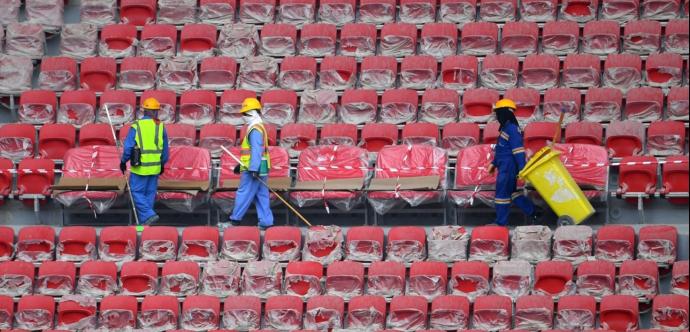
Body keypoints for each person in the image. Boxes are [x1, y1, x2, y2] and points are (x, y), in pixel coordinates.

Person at [220, 97, 274, 230]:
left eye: (245, 113)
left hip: (254, 169)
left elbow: (256, 150)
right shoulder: (259, 127)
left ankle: (234, 221)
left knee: (243, 193)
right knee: (261, 195)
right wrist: (244, 165)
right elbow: (252, 152)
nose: (243, 116)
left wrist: (252, 168)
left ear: (252, 113)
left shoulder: (254, 129)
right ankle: (266, 222)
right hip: (261, 167)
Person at [488, 99, 540, 226]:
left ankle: (501, 223)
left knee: (502, 195)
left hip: (508, 168)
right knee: (512, 192)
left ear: (505, 113)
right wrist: (493, 163)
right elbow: (501, 149)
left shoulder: (512, 129)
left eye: (498, 113)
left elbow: (518, 150)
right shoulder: (505, 128)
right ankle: (534, 211)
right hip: (503, 166)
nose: (497, 116)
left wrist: (522, 167)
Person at [120, 97, 169, 225]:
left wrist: (123, 161)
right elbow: (165, 148)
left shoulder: (137, 125)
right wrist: (162, 163)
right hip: (155, 168)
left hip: (140, 167)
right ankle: (145, 221)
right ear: (156, 111)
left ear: (144, 111)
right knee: (149, 193)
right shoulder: (160, 126)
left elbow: (129, 146)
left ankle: (149, 214)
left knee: (136, 192)